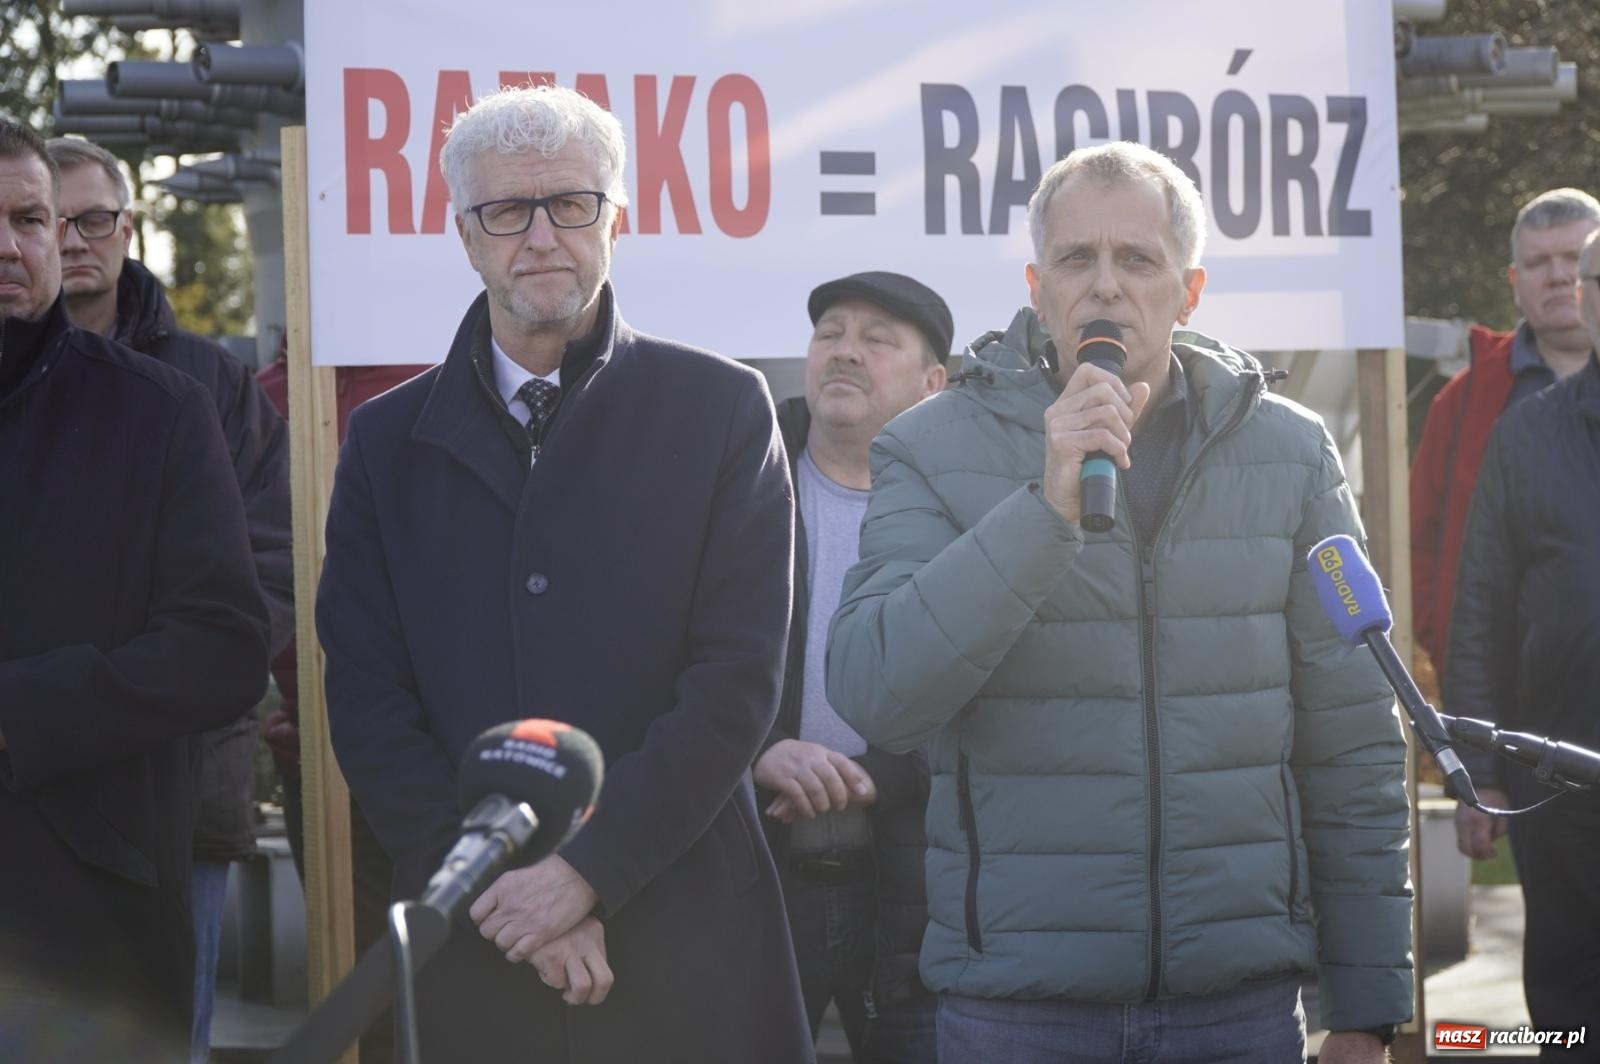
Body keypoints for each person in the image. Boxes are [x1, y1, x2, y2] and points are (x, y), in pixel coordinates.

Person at [825, 141, 1412, 1064]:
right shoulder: (929, 448)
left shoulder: (1290, 456)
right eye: (1075, 260)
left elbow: (1351, 743)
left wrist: (1370, 1009)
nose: (1105, 287)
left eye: (1137, 260)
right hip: (1017, 1010)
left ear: (1190, 290)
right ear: (1035, 285)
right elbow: (877, 692)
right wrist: (1043, 509)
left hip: (1241, 1010)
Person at [315, 85, 812, 1063]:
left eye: (571, 204)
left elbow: (737, 683)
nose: (541, 235)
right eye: (507, 210)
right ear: (464, 235)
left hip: (685, 938)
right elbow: (369, 704)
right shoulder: (383, 442)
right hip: (476, 947)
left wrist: (585, 873)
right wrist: (505, 894)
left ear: (616, 220)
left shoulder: (722, 408)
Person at [0, 119, 269, 1061]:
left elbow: (226, 646)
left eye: (31, 218)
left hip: (91, 910)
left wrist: (25, 710)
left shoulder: (159, 409)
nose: (14, 243)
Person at [758, 271, 947, 1062]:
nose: (845, 352)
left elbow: (999, 695)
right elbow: (674, 654)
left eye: (877, 340)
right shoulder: (737, 482)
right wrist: (757, 748)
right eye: (830, 333)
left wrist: (883, 776)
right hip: (760, 873)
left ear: (934, 383)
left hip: (910, 887)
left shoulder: (962, 510)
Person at [1442, 229, 1600, 1062]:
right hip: (1562, 780)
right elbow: (1482, 607)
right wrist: (1477, 770)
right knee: (1571, 1013)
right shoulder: (1526, 434)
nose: (1567, 280)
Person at [257, 345, 423, 1064]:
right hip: (315, 759)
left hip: (438, 757)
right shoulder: (259, 400)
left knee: (467, 996)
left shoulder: (444, 381)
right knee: (362, 1011)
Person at [1411, 189, 1600, 684]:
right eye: (1539, 262)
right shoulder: (1463, 403)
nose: (1559, 275)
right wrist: (1450, 650)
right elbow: (1420, 540)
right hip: (1508, 707)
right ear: (1516, 282)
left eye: (1575, 260)